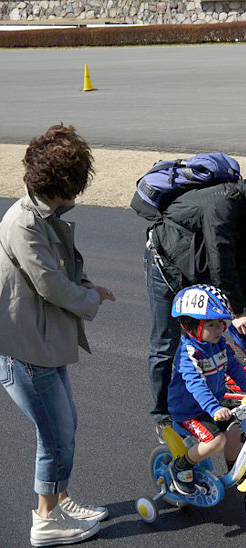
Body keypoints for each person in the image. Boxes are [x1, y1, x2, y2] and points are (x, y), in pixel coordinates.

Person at [0, 124, 115, 546]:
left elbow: (59, 269)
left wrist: (87, 285)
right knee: (55, 434)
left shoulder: (41, 214)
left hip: (41, 342)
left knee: (64, 427)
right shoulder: (24, 223)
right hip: (24, 349)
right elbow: (49, 282)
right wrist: (90, 300)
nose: (78, 194)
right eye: (75, 184)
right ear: (59, 185)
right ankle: (46, 520)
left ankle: (60, 501)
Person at [145, 159, 246, 437]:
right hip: (167, 263)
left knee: (209, 337)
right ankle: (163, 415)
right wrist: (235, 310)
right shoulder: (222, 205)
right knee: (167, 342)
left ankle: (204, 402)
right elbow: (220, 258)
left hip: (195, 263)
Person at [166, 284, 246, 495]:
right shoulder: (187, 354)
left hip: (212, 405)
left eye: (220, 324)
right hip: (189, 411)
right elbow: (195, 384)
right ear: (191, 327)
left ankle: (236, 469)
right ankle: (181, 467)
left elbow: (233, 366)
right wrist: (214, 408)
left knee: (234, 430)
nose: (219, 330)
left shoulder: (218, 343)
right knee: (216, 440)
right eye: (211, 325)